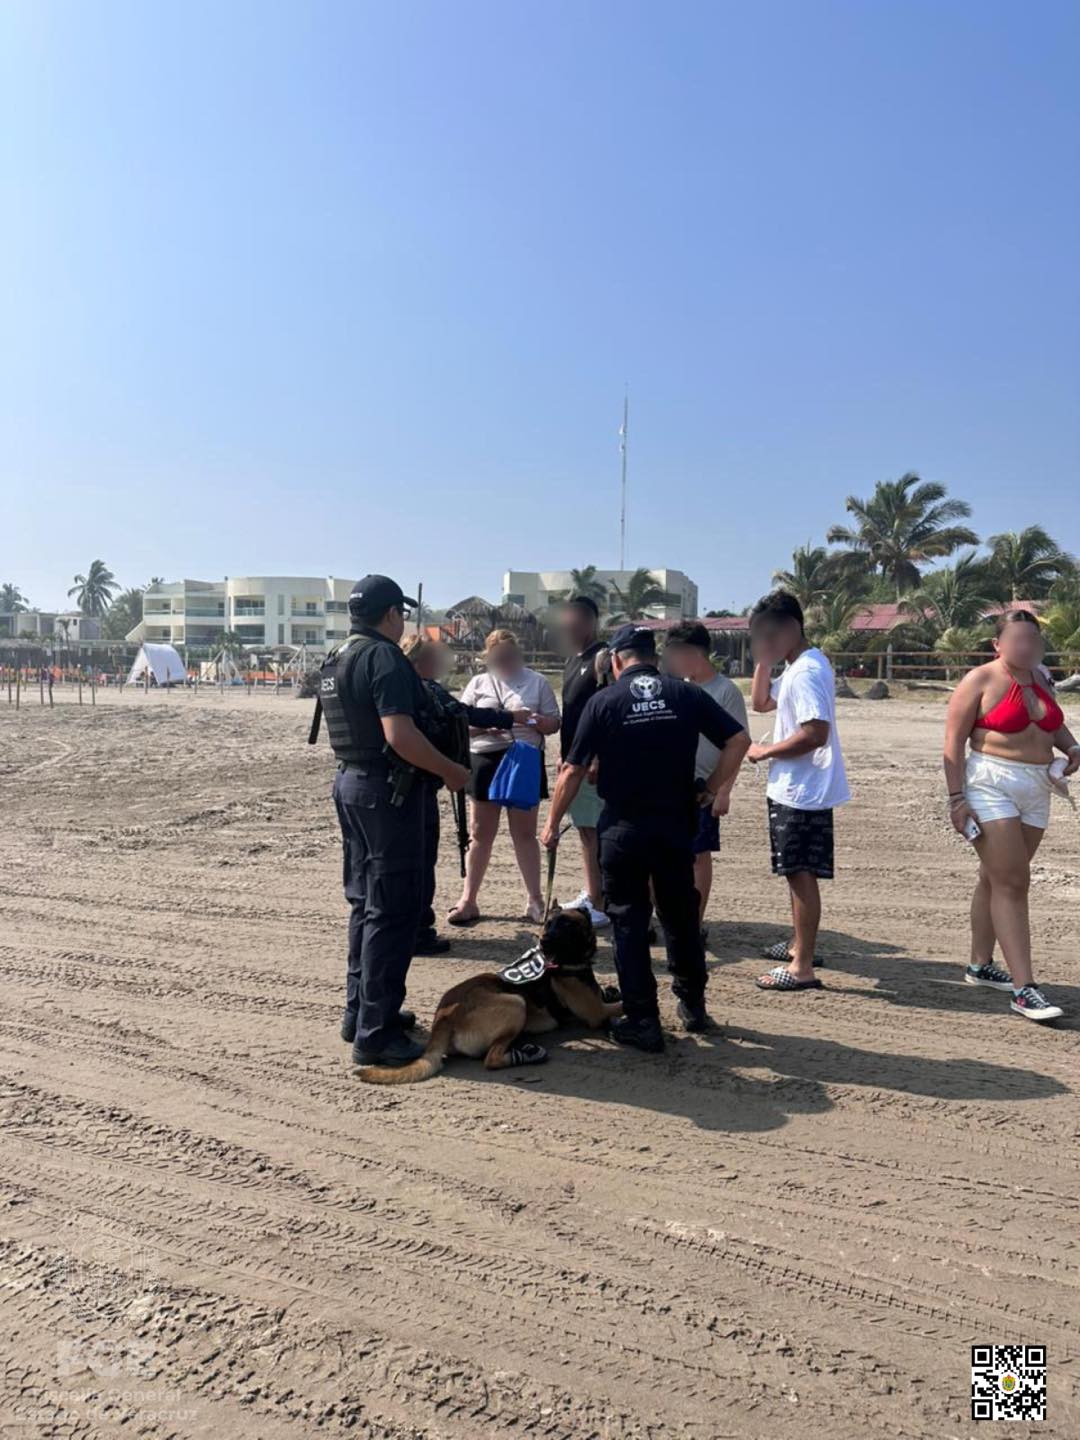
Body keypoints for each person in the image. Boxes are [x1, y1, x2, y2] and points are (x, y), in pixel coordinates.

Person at [542, 623, 749, 1051]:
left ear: (617, 661)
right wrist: (710, 789)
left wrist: (551, 824)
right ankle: (692, 1006)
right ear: (653, 658)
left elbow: (573, 769)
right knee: (680, 918)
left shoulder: (604, 701)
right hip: (675, 826)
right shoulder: (686, 694)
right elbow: (739, 740)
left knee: (629, 924)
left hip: (622, 829)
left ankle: (642, 1019)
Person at [319, 576, 470, 1067]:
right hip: (388, 792)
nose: (403, 621)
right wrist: (451, 772)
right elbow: (400, 735)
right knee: (393, 909)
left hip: (352, 784)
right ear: (390, 615)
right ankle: (376, 1034)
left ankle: (361, 1012)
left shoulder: (337, 655)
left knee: (365, 903)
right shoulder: (383, 657)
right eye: (400, 613)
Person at [944, 609, 1080, 1022]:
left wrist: (1072, 747)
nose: (1026, 647)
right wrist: (956, 799)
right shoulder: (980, 680)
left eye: (1032, 641)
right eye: (1017, 640)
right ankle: (1025, 989)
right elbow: (952, 745)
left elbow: (1052, 727)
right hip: (990, 783)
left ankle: (980, 964)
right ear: (997, 645)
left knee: (995, 877)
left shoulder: (1041, 678)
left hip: (1037, 788)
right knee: (1013, 881)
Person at [746, 590, 850, 993]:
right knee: (794, 873)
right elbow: (760, 703)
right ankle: (797, 946)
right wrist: (764, 661)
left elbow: (815, 733)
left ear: (791, 628)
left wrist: (764, 751)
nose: (764, 642)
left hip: (803, 790)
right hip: (795, 788)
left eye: (768, 635)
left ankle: (803, 965)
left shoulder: (806, 671)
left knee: (801, 875)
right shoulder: (796, 666)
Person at [401, 635, 530, 954]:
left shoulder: (404, 686)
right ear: (421, 661)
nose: (440, 665)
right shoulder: (423, 688)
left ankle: (408, 926)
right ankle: (417, 929)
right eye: (434, 658)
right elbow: (462, 712)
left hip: (407, 783)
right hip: (417, 783)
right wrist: (508, 718)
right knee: (419, 858)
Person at [448, 630, 561, 925]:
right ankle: (468, 899)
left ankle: (535, 901)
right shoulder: (478, 683)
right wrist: (490, 725)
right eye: (498, 658)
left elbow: (553, 723)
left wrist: (529, 718)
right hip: (485, 757)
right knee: (480, 833)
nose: (505, 662)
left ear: (518, 655)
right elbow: (461, 724)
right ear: (488, 658)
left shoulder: (536, 682)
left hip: (523, 757)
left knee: (524, 833)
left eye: (510, 656)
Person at [662, 621, 749, 930]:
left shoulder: (725, 691)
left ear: (691, 653)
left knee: (698, 855)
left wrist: (723, 790)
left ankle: (693, 924)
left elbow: (738, 744)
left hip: (704, 788)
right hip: (670, 784)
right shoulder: (675, 686)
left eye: (672, 653)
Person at [555, 596, 610, 927]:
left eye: (575, 623)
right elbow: (571, 713)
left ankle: (601, 902)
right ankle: (594, 892)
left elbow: (609, 707)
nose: (569, 629)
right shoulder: (572, 661)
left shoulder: (603, 659)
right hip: (573, 760)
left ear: (590, 623)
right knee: (585, 830)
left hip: (593, 764)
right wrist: (565, 755)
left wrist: (599, 756)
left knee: (595, 831)